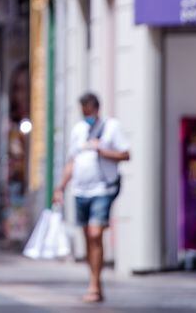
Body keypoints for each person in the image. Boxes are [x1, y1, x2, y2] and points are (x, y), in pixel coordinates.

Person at [53, 92, 130, 304]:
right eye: (83, 112)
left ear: (96, 109)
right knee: (87, 236)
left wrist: (102, 150)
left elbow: (126, 154)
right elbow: (72, 161)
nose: (86, 115)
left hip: (103, 189)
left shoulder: (111, 127)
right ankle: (94, 281)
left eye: (89, 111)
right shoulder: (78, 130)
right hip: (80, 191)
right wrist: (60, 187)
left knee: (96, 233)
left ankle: (95, 285)